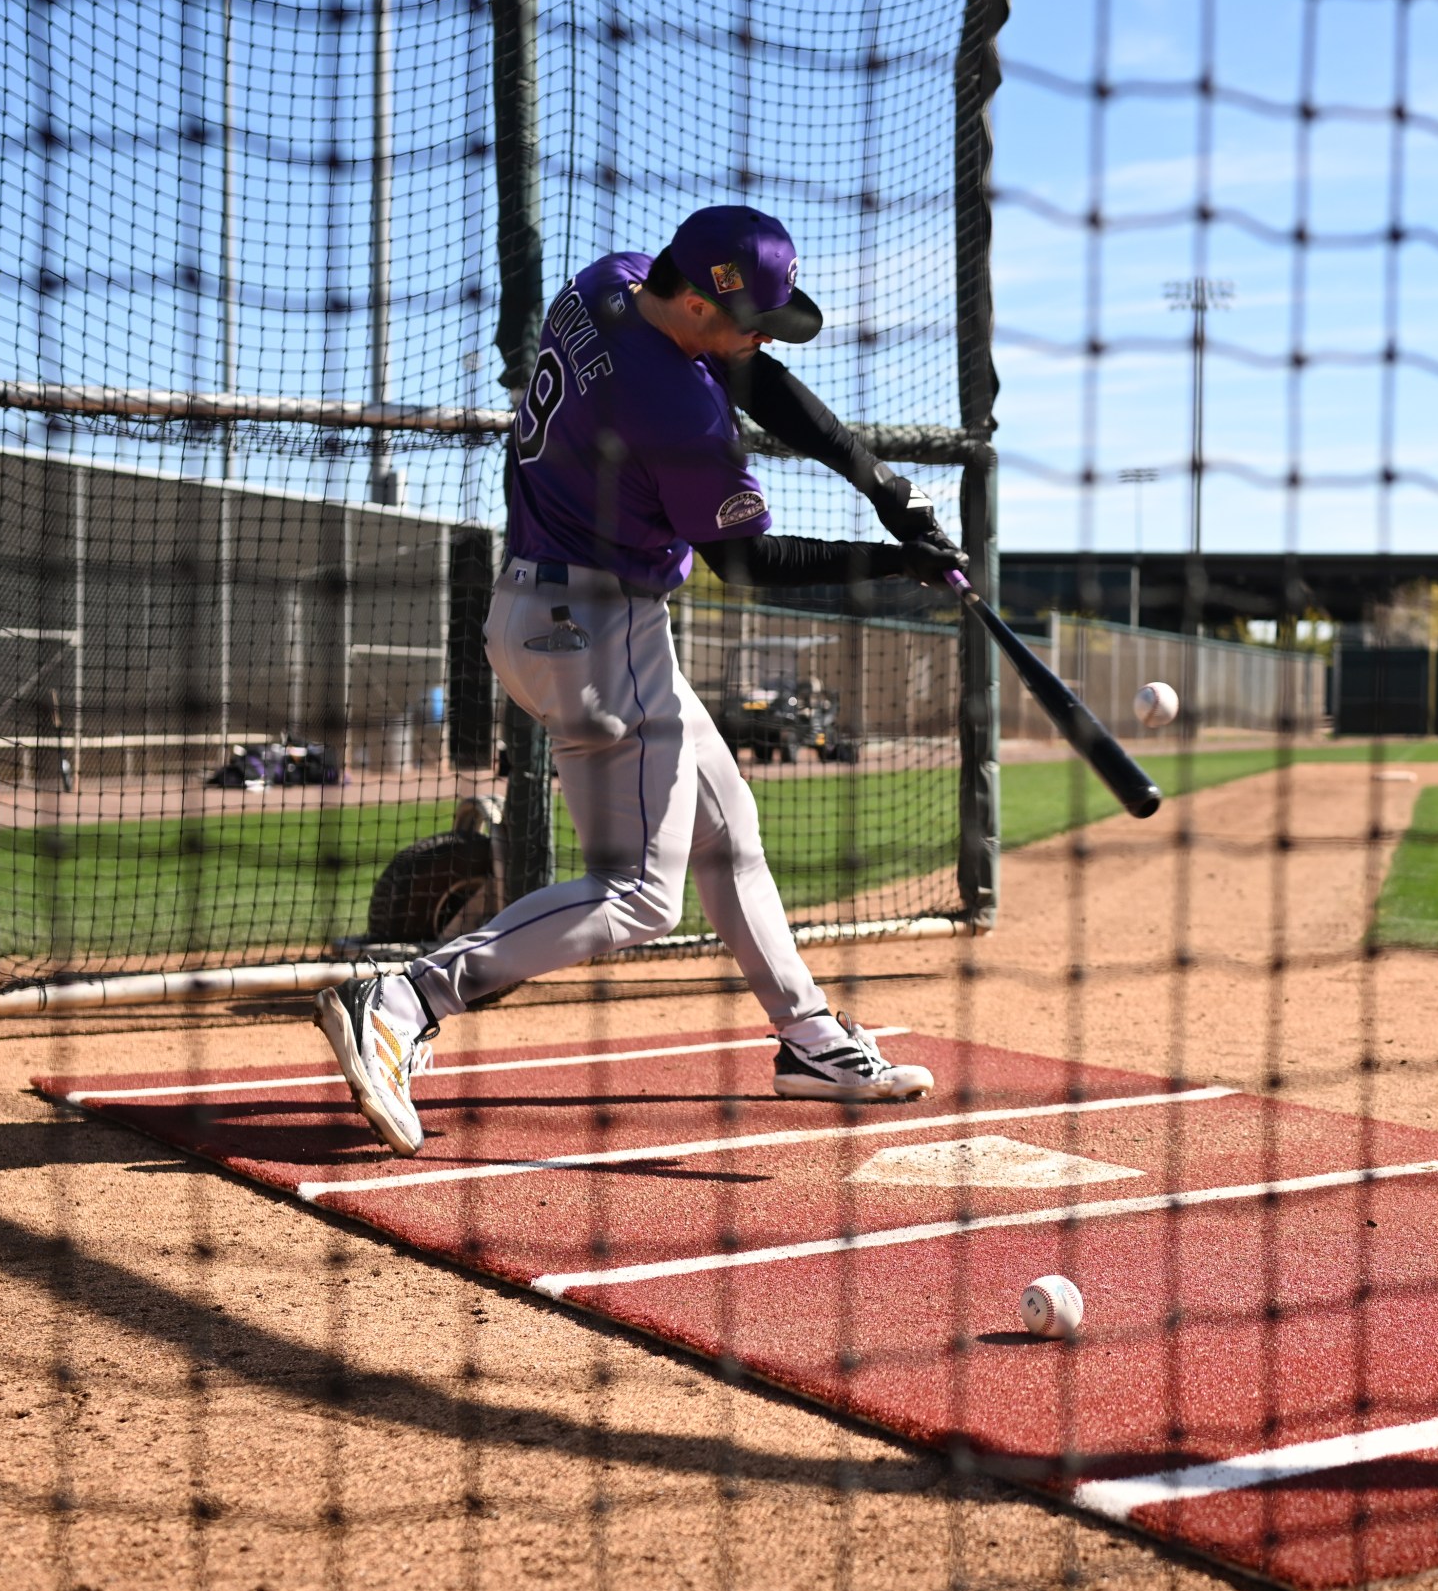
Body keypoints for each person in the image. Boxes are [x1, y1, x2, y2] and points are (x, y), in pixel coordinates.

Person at [314, 205, 960, 1157]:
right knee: (639, 896)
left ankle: (808, 1037)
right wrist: (897, 563)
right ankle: (404, 997)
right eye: (746, 321)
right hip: (600, 631)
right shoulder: (683, 415)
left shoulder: (612, 281)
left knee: (728, 821)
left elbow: (761, 376)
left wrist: (884, 486)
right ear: (697, 300)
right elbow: (749, 565)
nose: (756, 341)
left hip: (546, 614)